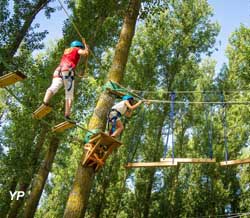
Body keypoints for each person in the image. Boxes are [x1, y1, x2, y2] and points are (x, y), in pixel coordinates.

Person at [43, 39, 89, 119]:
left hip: (58, 70)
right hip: (68, 70)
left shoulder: (67, 51)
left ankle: (45, 102)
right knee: (69, 95)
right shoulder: (76, 49)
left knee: (54, 87)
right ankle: (67, 115)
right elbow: (85, 53)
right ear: (78, 46)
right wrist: (86, 47)